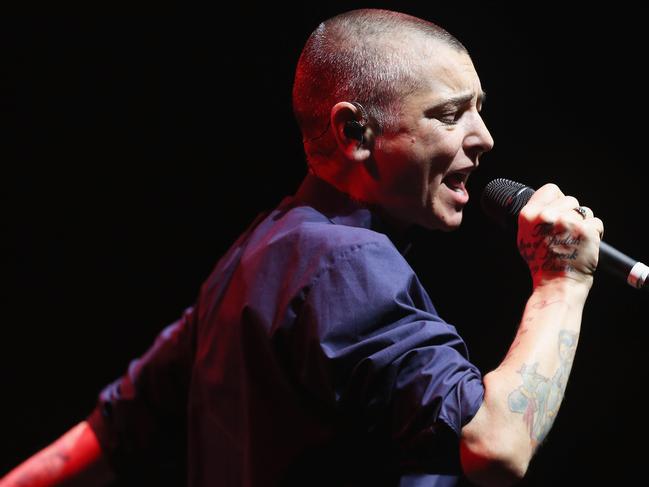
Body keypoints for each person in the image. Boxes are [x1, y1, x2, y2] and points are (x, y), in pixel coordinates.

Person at [0, 8, 604, 487]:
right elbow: (496, 446)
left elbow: (109, 435)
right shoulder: (346, 263)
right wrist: (561, 283)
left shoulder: (253, 258)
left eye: (480, 109)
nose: (484, 138)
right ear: (354, 132)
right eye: (450, 115)